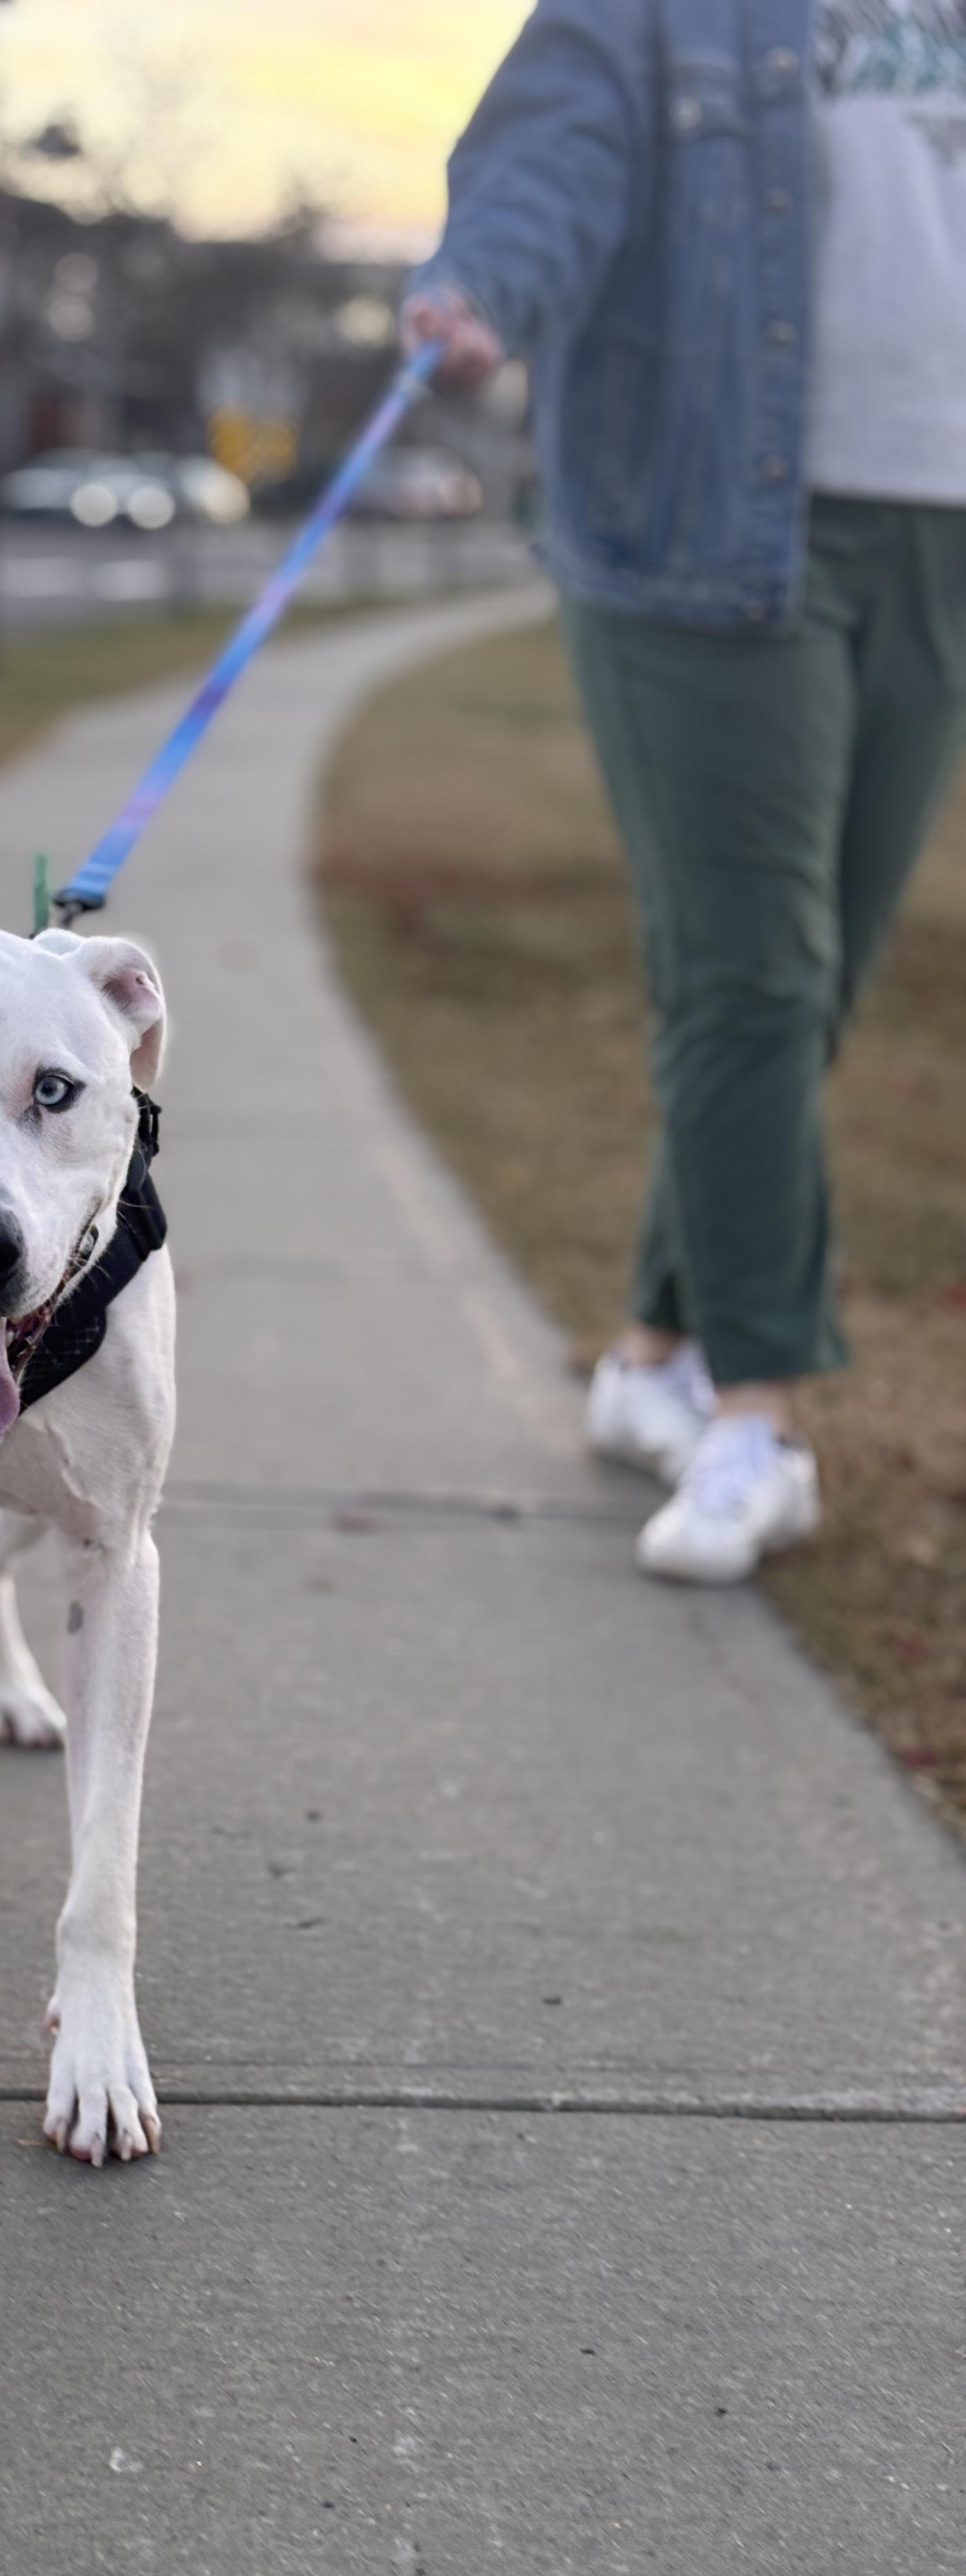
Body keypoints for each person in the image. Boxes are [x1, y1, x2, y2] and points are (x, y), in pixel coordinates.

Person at [402, 0, 966, 1584]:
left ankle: (652, 1352)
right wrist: (481, 291)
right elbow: (549, 159)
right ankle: (757, 1419)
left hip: (943, 524)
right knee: (757, 974)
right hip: (711, 531)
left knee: (809, 982)